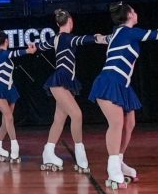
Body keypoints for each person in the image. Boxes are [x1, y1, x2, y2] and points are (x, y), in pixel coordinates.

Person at [90, 3, 158, 189]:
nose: (136, 13)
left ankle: (119, 161)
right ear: (129, 15)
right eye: (134, 11)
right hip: (109, 81)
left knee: (129, 124)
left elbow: (104, 38)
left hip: (123, 84)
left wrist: (98, 38)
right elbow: (153, 35)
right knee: (116, 124)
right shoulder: (128, 32)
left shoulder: (118, 33)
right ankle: (113, 169)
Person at [36, 9, 106, 173]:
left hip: (64, 81)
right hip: (60, 80)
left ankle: (48, 153)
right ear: (70, 20)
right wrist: (98, 38)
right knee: (77, 115)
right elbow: (83, 39)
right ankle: (80, 156)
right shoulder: (68, 38)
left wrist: (34, 47)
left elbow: (41, 46)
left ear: (57, 23)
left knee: (59, 119)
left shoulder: (55, 38)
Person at [0, 32, 38, 163]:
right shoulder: (4, 53)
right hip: (0, 89)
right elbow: (16, 53)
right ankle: (14, 147)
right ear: (6, 40)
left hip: (9, 89)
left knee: (7, 120)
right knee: (9, 117)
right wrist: (29, 50)